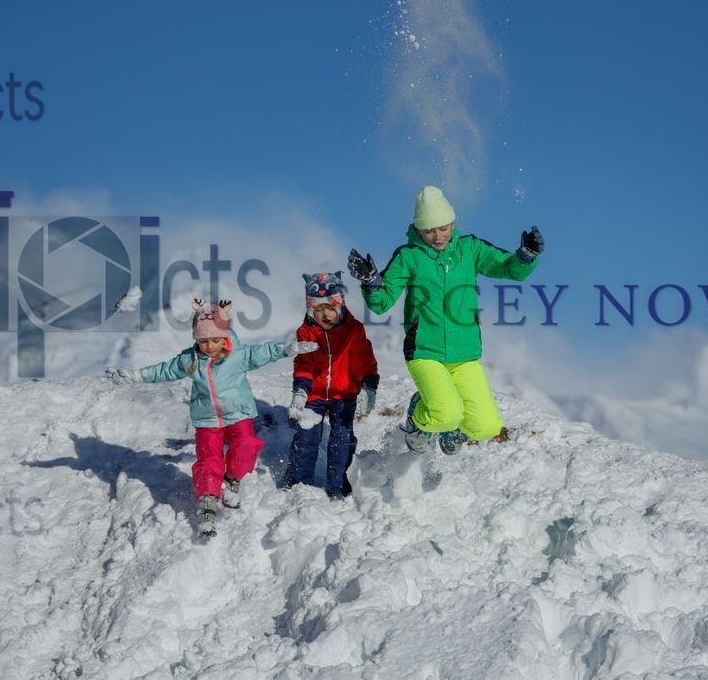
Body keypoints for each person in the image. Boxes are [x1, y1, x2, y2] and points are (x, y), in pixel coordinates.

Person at [347, 186, 544, 454]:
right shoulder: (408, 257)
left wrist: (526, 257)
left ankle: (453, 432)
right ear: (418, 229)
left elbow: (508, 268)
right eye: (429, 230)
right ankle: (418, 418)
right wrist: (371, 282)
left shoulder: (470, 248)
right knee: (444, 413)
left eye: (443, 228)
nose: (437, 236)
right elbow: (381, 302)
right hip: (425, 351)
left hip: (465, 354)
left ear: (453, 222)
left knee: (486, 427)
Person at [105, 299, 318, 541]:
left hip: (237, 414)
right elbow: (163, 370)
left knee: (248, 444)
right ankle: (207, 498)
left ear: (224, 336)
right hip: (207, 420)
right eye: (203, 341)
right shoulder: (191, 360)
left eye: (215, 340)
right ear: (196, 339)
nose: (209, 346)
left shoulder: (238, 354)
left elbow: (263, 353)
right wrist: (135, 376)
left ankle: (232, 479)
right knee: (209, 459)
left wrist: (287, 349)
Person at [284, 272, 379, 499]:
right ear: (310, 310)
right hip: (313, 395)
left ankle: (339, 487)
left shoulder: (353, 330)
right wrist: (300, 391)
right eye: (318, 309)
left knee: (342, 439)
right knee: (306, 438)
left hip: (344, 395)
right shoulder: (306, 332)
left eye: (330, 308)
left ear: (340, 305)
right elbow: (304, 363)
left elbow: (364, 359)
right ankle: (299, 483)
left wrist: (369, 386)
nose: (325, 314)